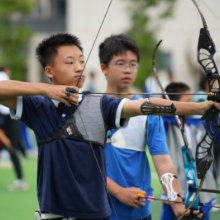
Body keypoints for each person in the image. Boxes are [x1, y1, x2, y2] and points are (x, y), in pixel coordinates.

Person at [0, 33, 217, 220]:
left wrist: (197, 109)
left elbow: (145, 106)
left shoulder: (100, 104)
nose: (78, 68)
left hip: (98, 212)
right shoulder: (39, 107)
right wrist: (45, 90)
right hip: (54, 212)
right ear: (49, 71)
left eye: (82, 61)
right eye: (69, 62)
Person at [98, 34, 205, 220]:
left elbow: (163, 161)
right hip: (97, 210)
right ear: (104, 67)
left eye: (133, 64)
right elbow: (83, 164)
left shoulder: (148, 113)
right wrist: (118, 191)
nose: (128, 70)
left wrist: (176, 202)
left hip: (137, 212)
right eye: (121, 63)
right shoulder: (90, 107)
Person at [160, 82, 218, 220]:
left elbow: (217, 123)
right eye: (187, 102)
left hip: (200, 191)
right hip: (176, 193)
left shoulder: (197, 124)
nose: (192, 105)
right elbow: (162, 113)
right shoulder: (165, 124)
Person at [0, 69, 28, 191]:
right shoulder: (4, 76)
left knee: (13, 149)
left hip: (9, 118)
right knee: (11, 147)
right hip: (6, 117)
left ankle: (21, 181)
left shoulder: (4, 77)